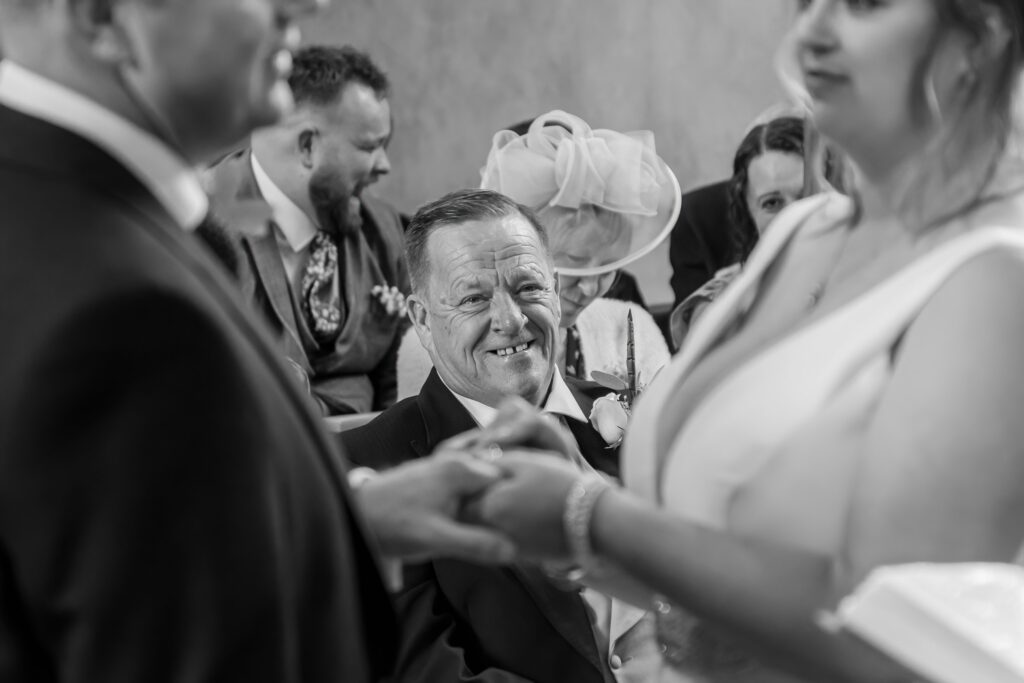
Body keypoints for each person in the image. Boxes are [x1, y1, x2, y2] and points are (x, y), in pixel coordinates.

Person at [466, 1, 1024, 681]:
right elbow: (714, 576)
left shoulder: (998, 275)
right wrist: (570, 497)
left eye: (864, 5)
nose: (812, 33)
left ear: (980, 41)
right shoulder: (804, 233)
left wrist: (594, 514)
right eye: (809, 3)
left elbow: (896, 640)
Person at [0, 2, 514, 682]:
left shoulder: (67, 203)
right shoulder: (115, 303)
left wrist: (351, 516)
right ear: (101, 17)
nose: (307, 6)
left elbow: (153, 553)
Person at [342, 189, 659, 683]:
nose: (510, 321)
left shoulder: (637, 415)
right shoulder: (372, 469)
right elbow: (425, 671)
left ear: (555, 289)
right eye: (473, 298)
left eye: (528, 287)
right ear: (422, 319)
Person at [396, 111, 676, 398]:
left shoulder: (630, 327)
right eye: (575, 261)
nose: (590, 286)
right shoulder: (432, 348)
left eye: (607, 267)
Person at [207, 44, 407, 416]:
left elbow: (399, 385)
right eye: (370, 146)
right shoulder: (199, 227)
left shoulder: (384, 230)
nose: (385, 166)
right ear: (307, 146)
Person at [670, 116, 816, 346]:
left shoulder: (874, 267)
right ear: (748, 213)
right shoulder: (727, 295)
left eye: (806, 195)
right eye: (772, 203)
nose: (793, 214)